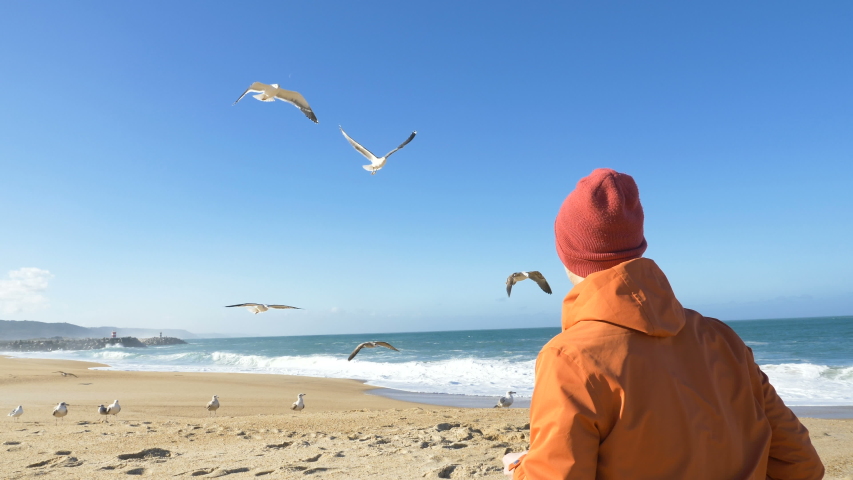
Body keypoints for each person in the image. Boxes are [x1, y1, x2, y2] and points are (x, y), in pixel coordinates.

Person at [504, 168, 824, 479]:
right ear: (638, 245)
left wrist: (519, 470)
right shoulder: (724, 341)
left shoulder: (569, 360)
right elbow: (802, 466)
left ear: (566, 253)